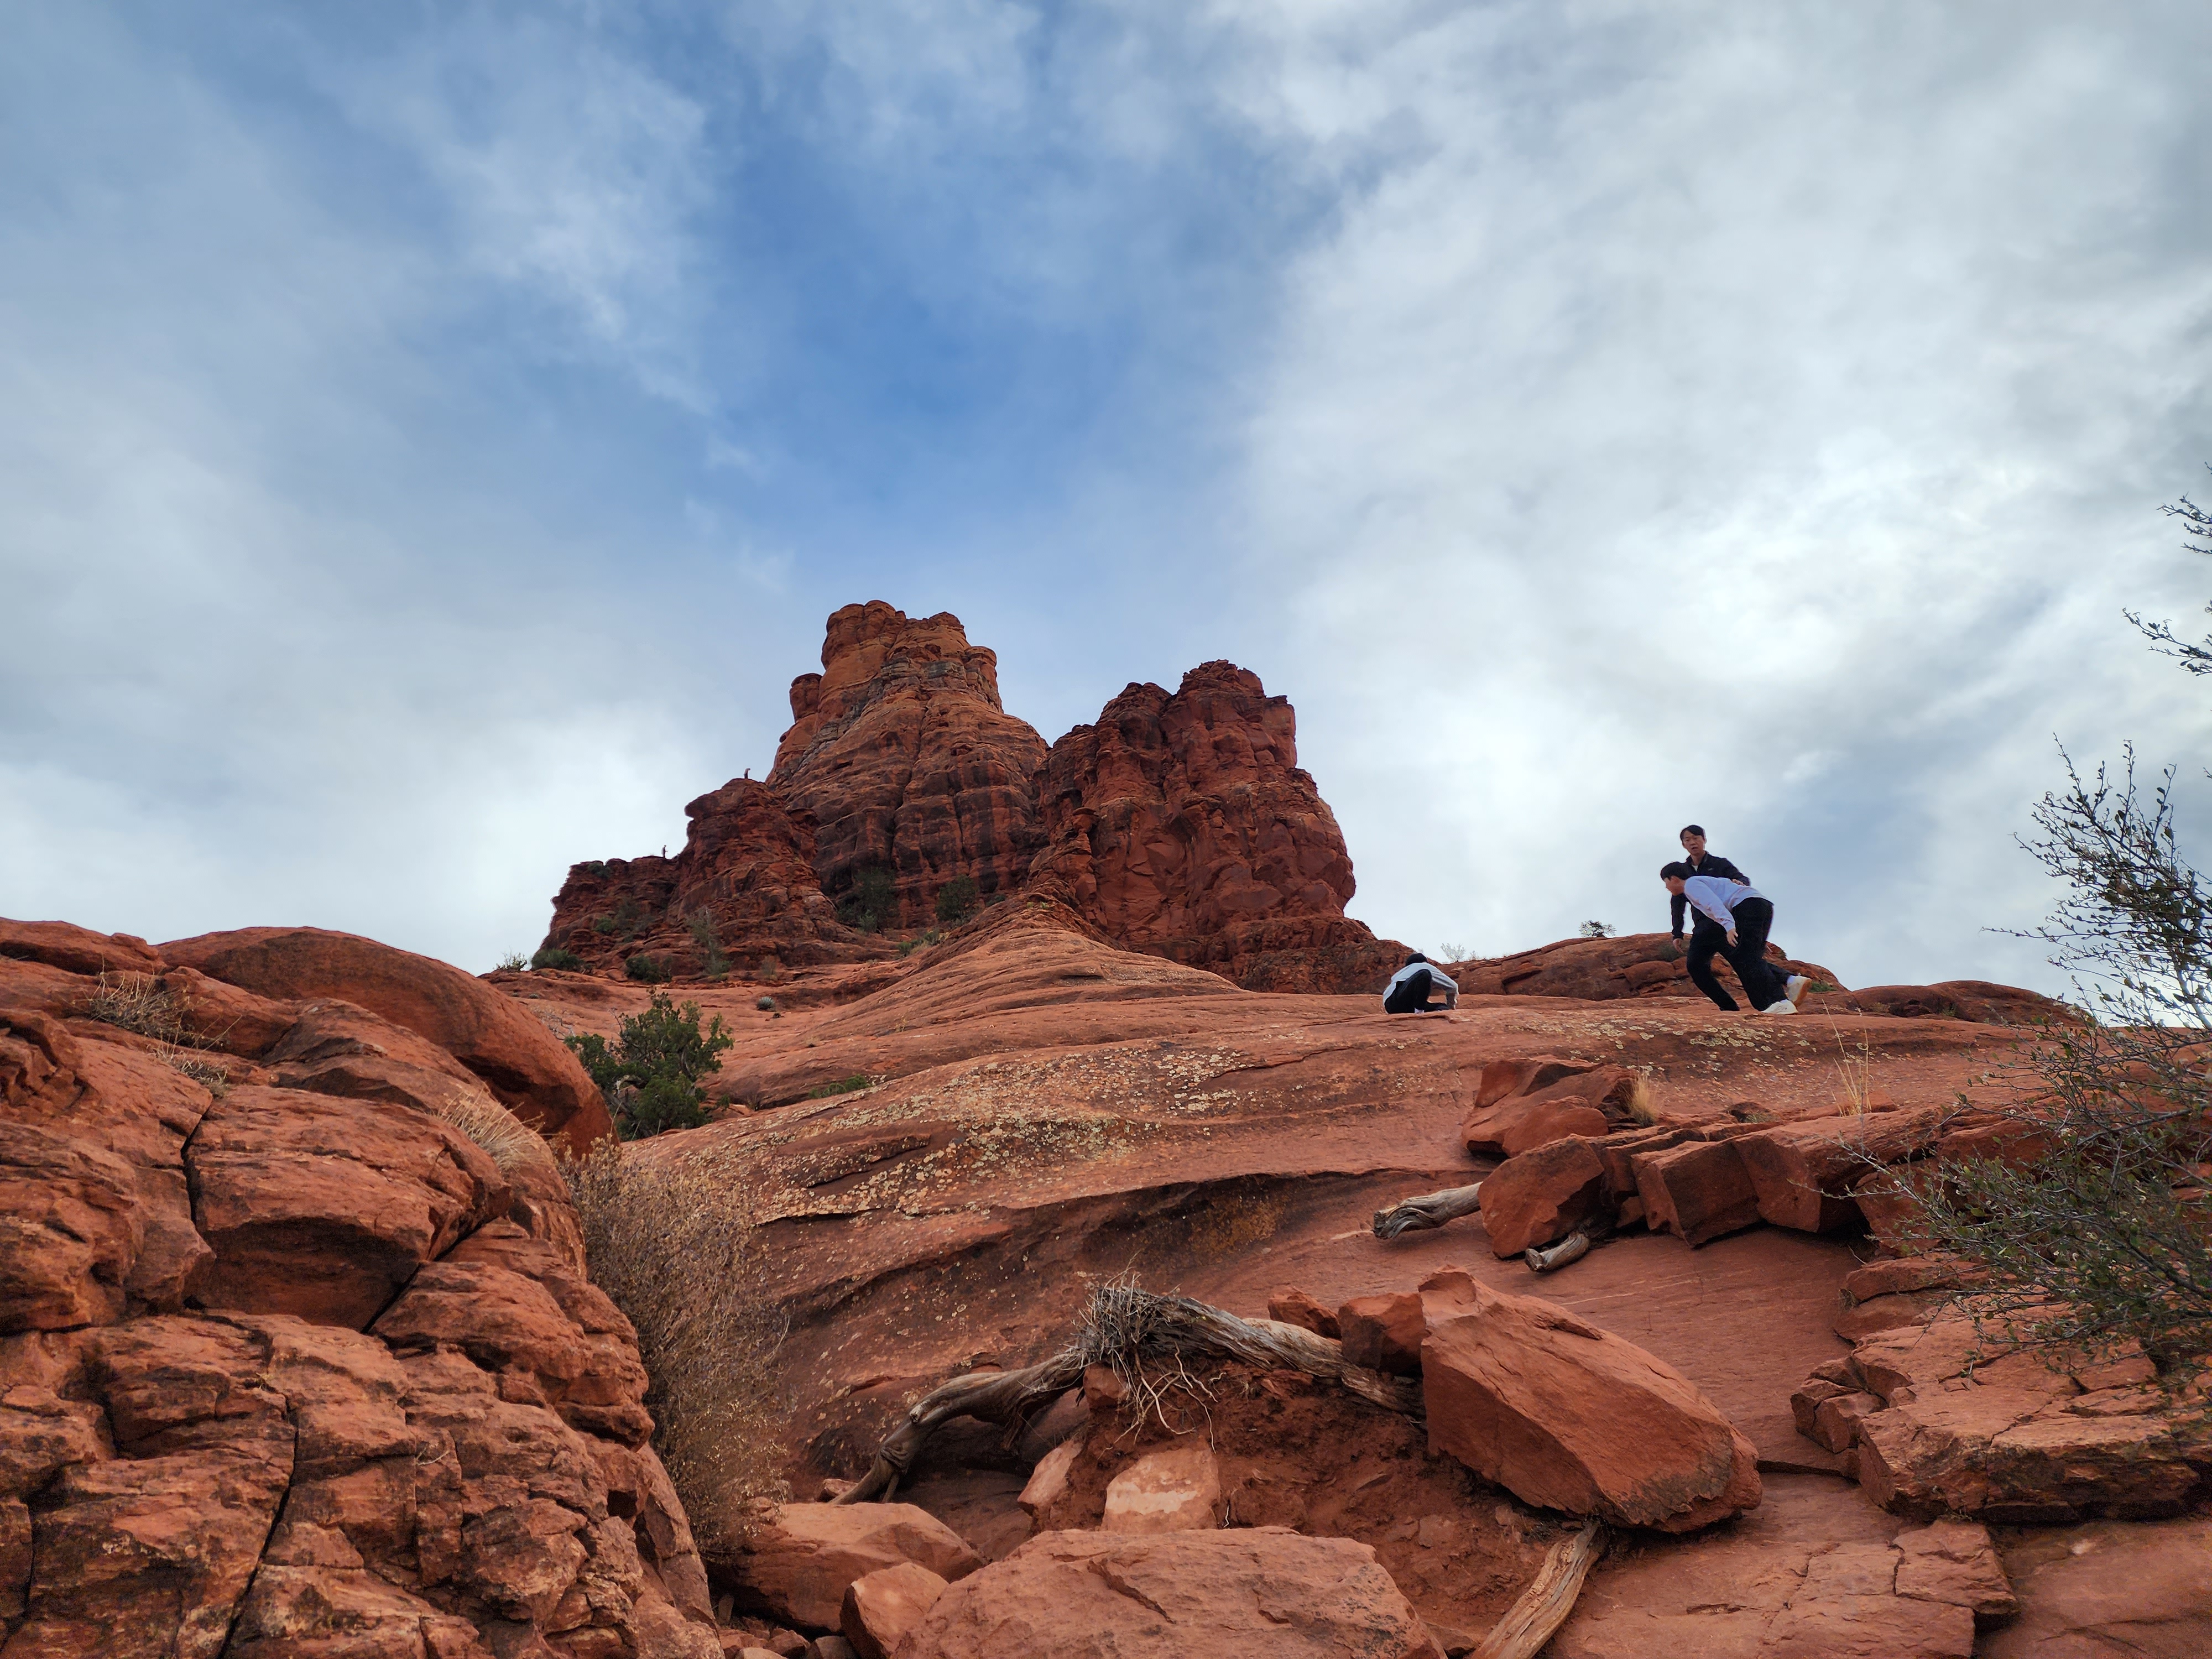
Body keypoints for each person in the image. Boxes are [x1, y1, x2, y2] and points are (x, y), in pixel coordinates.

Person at [1660, 863, 1809, 1015]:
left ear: (1673, 879)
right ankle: (1791, 982)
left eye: (1666, 883)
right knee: (1749, 956)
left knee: (1747, 958)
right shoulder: (1701, 883)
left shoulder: (1692, 885)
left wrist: (1730, 927)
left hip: (1746, 906)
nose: (1667, 888)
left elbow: (1714, 904)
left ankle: (1780, 1002)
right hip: (1760, 904)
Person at [1668, 825, 1754, 1013]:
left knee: (1744, 961)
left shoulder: (1719, 863)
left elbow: (1741, 879)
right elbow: (1677, 903)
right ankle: (1728, 1007)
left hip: (1726, 922)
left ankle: (1786, 981)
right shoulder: (1683, 871)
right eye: (1687, 840)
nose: (1693, 842)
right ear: (1683, 845)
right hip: (1704, 926)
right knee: (1696, 966)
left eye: (1696, 838)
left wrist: (1741, 883)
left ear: (1704, 840)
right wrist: (1677, 932)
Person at [1383, 952, 1458, 1014]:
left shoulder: (1399, 974)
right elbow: (1453, 986)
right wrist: (1451, 1008)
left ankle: (1421, 1010)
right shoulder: (1425, 966)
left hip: (1391, 1006)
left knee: (1442, 1007)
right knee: (1425, 974)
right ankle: (1419, 1013)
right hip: (1400, 999)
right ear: (1424, 962)